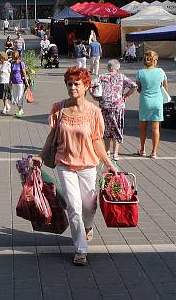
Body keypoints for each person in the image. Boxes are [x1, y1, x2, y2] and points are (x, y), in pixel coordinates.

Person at [32, 67, 118, 267]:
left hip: (88, 165)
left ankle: (87, 226)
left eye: (76, 83)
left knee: (89, 205)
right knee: (74, 207)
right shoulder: (59, 108)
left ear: (86, 86)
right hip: (65, 164)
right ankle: (80, 249)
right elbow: (52, 136)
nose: (72, 87)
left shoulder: (94, 112)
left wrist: (108, 163)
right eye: (69, 83)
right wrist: (40, 156)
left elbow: (97, 140)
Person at [93, 60, 137, 161]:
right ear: (117, 68)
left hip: (105, 105)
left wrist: (94, 96)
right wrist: (125, 95)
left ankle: (107, 151)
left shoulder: (102, 76)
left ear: (109, 68)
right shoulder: (122, 77)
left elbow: (91, 84)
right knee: (117, 128)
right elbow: (134, 86)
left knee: (106, 128)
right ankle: (115, 153)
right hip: (118, 106)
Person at [136, 50, 168, 159]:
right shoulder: (161, 71)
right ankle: (154, 152)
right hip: (157, 101)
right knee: (155, 128)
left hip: (145, 100)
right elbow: (164, 86)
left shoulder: (140, 73)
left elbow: (139, 89)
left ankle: (142, 149)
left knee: (143, 128)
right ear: (155, 60)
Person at [9, 51, 30, 117]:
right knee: (14, 97)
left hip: (20, 82)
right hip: (14, 82)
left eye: (13, 56)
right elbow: (11, 73)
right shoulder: (12, 63)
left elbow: (24, 73)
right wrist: (10, 81)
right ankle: (20, 110)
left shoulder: (21, 63)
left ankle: (20, 110)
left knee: (20, 96)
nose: (12, 57)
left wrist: (26, 82)